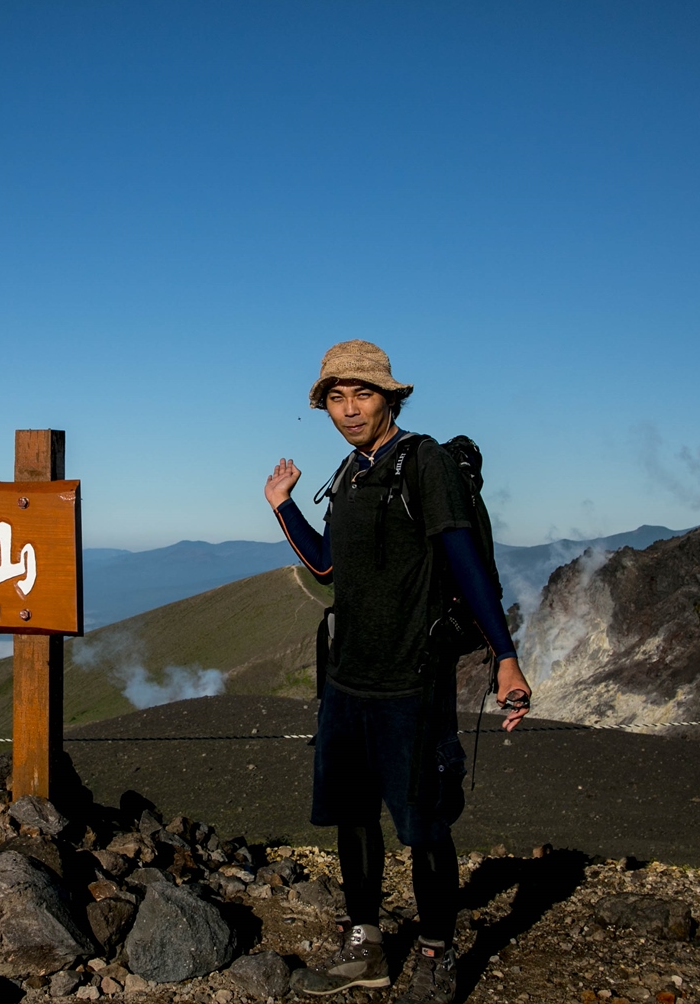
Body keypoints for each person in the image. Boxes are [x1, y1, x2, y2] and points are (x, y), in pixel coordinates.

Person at [266, 339, 531, 1003]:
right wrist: (283, 505)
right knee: (354, 818)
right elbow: (328, 564)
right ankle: (365, 946)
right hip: (347, 679)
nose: (349, 409)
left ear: (391, 397)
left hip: (412, 682)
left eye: (363, 394)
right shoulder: (351, 473)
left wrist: (505, 656)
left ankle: (438, 952)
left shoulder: (425, 462)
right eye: (336, 396)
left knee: (425, 826)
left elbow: (464, 561)